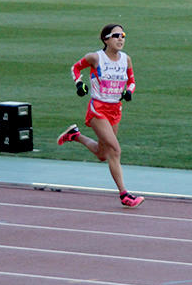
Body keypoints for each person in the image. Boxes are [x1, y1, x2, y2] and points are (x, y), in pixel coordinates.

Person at [57, 24, 144, 208]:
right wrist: (79, 84)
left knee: (103, 154)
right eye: (116, 36)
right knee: (115, 150)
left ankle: (75, 135)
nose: (120, 39)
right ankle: (124, 195)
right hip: (98, 109)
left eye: (123, 35)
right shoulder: (95, 58)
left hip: (115, 111)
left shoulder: (126, 59)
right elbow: (75, 68)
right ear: (106, 39)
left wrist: (129, 91)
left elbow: (132, 81)